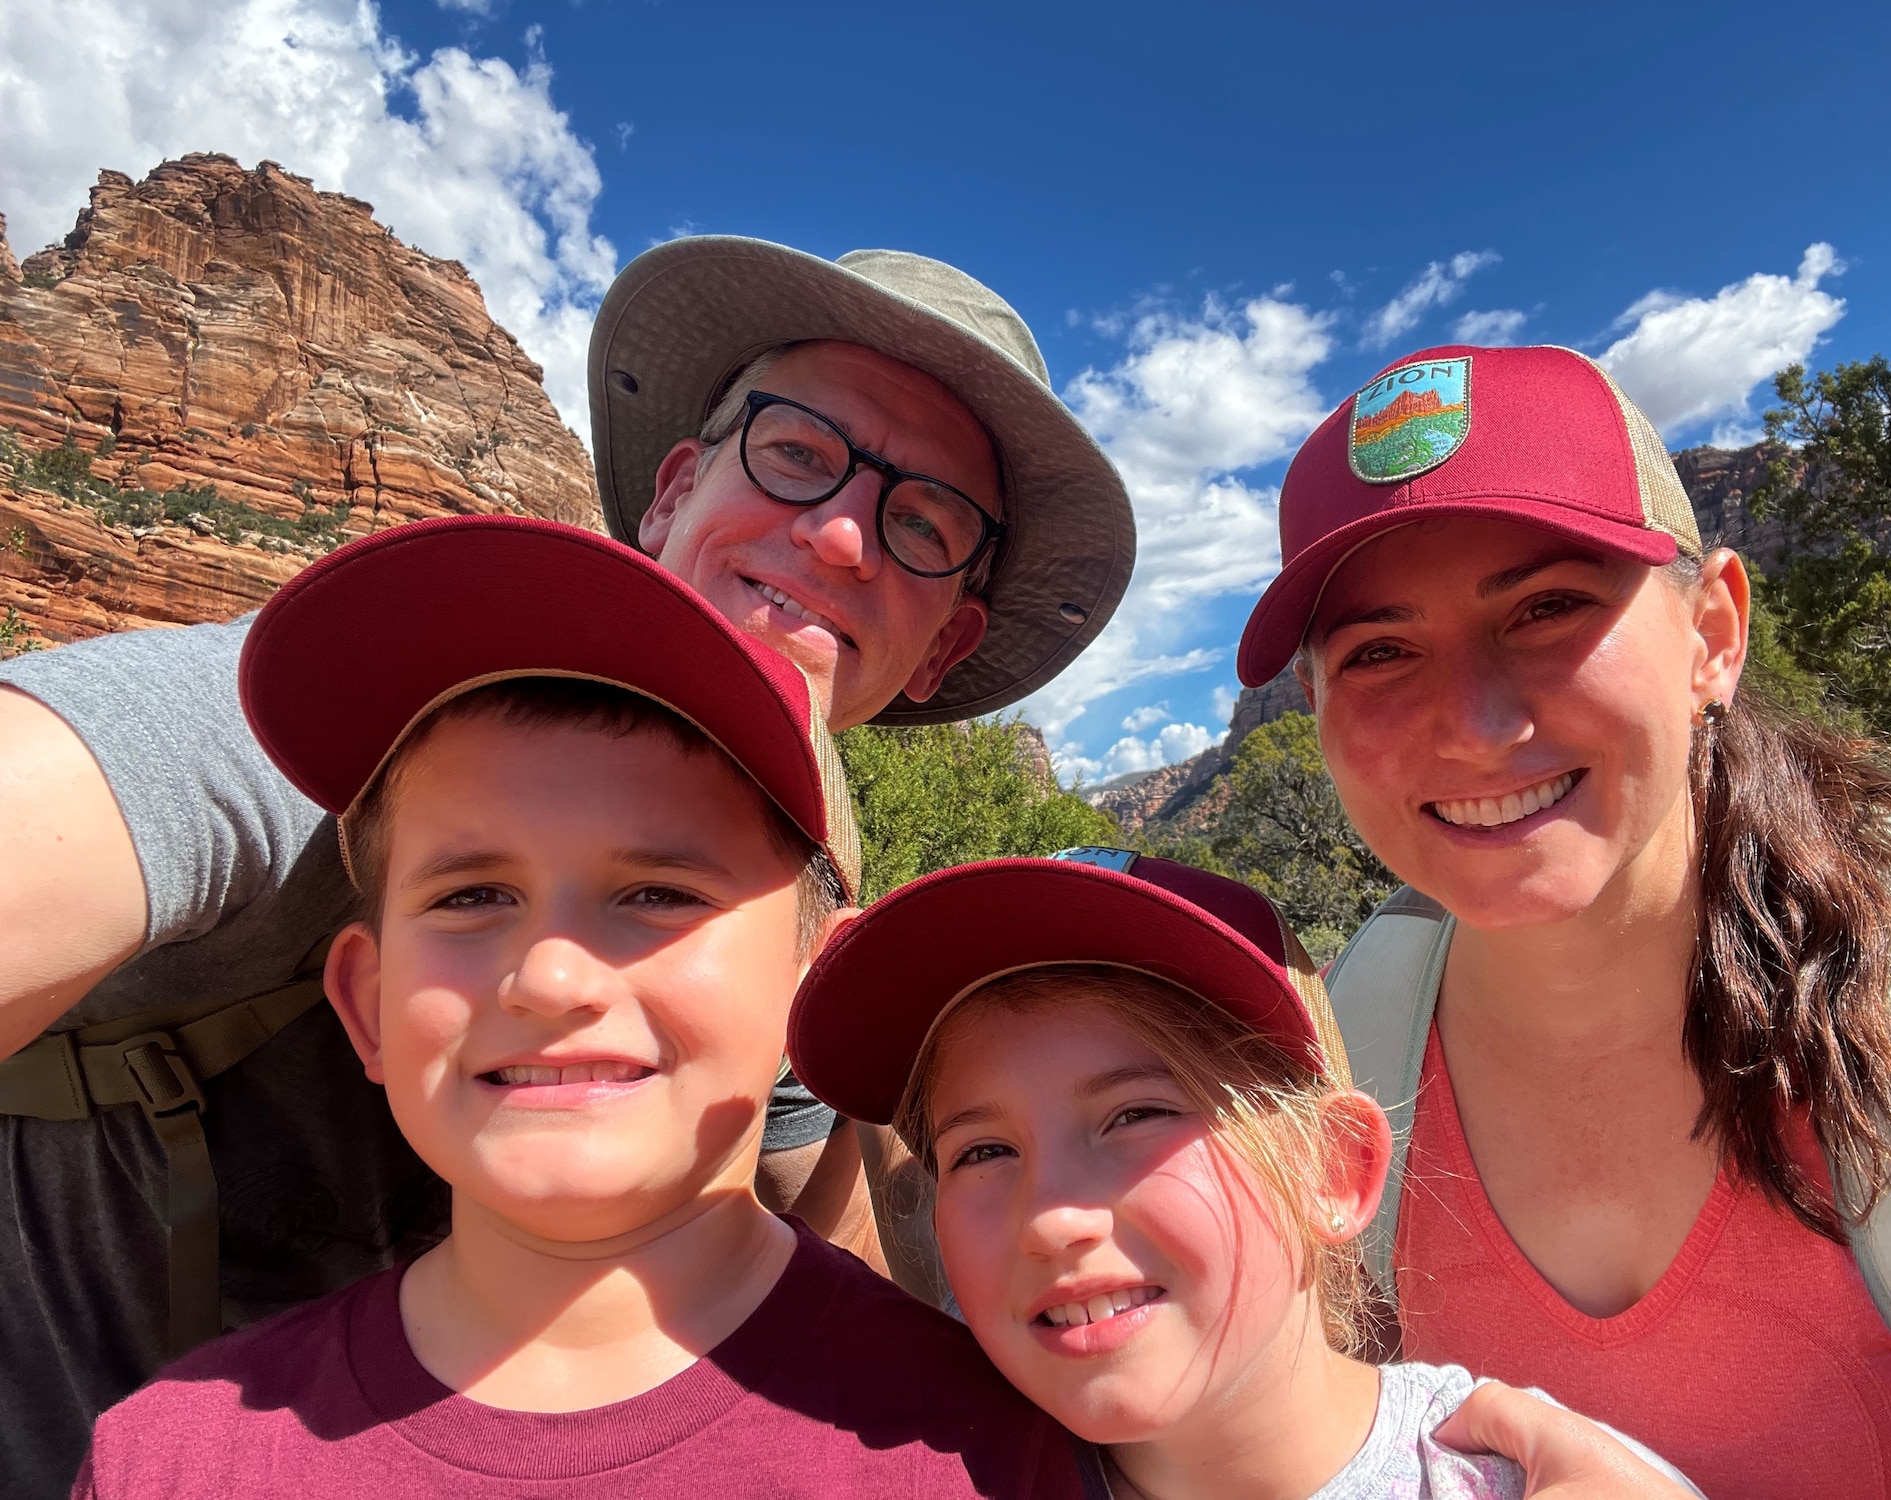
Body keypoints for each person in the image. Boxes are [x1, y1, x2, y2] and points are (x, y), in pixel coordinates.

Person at [0, 238, 1131, 1493]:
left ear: (944, 646)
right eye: (799, 453)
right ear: (671, 492)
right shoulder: (327, 732)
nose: (843, 536)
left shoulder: (800, 883)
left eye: (922, 522)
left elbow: (840, 1298)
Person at [72, 514, 1088, 1498]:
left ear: (812, 983)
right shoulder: (167, 1463)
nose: (550, 981)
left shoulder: (984, 1457)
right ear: (369, 1005)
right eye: (471, 897)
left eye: (657, 894)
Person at [1232, 341, 1891, 1497]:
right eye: (1381, 651)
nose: (1475, 726)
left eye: (1546, 608)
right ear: (1314, 707)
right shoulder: (1338, 1070)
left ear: (1710, 634)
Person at [785, 848, 1698, 1499]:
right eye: (982, 1150)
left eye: (1136, 1114)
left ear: (1332, 1170)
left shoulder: (1534, 1479)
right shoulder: (927, 1471)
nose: (1051, 1220)